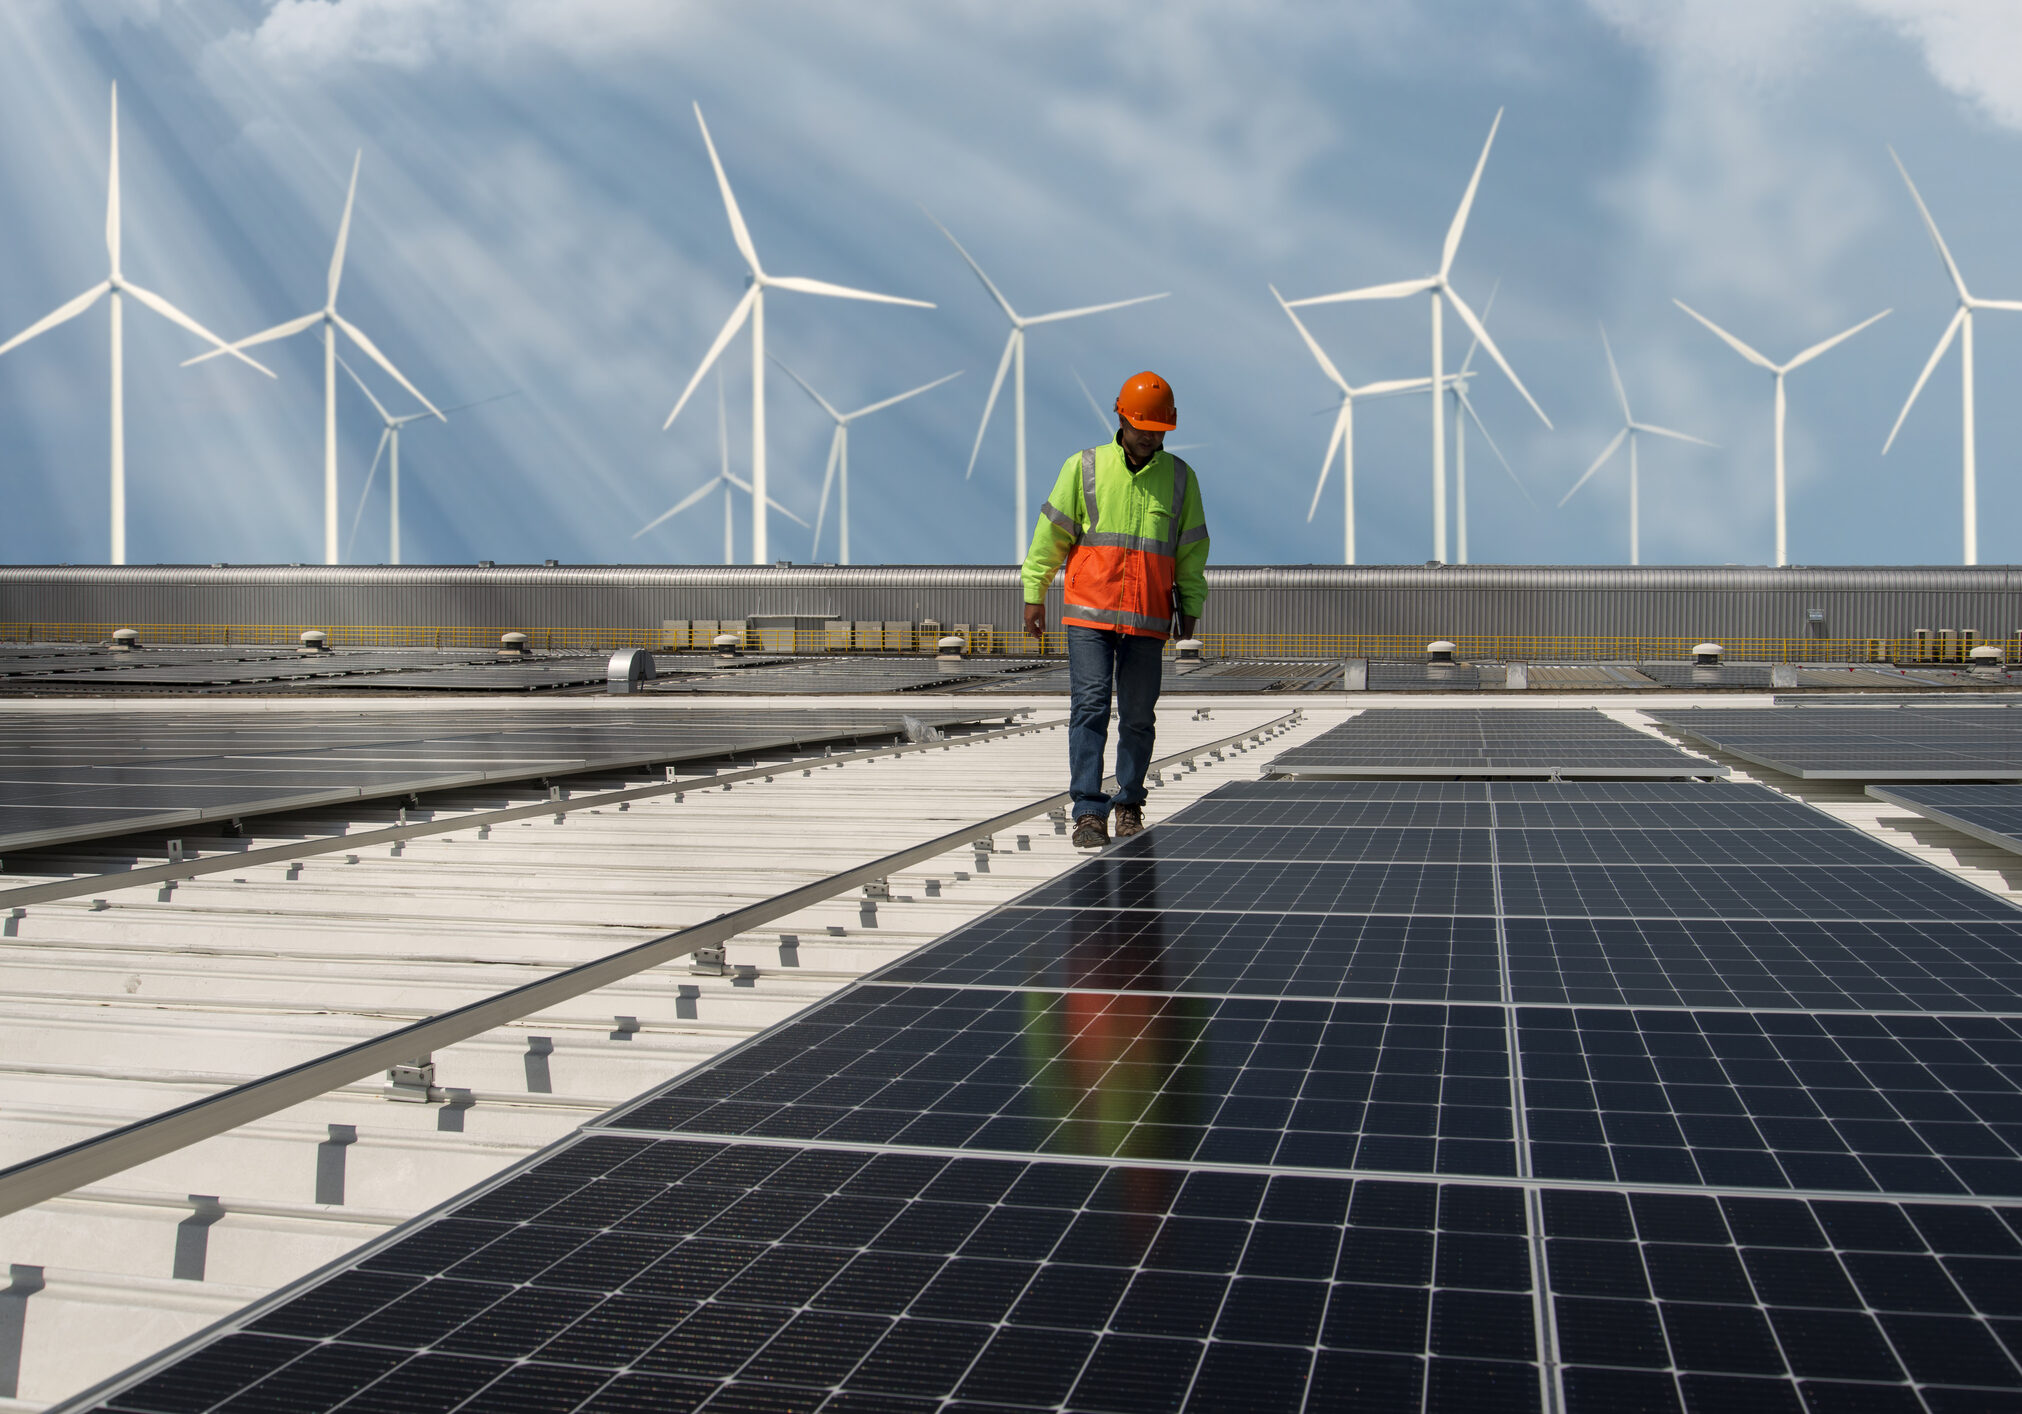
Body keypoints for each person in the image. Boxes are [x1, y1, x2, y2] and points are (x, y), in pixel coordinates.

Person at [1020, 370, 1209, 848]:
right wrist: (1033, 591)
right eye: (1141, 426)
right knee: (1089, 709)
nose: (1148, 436)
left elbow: (1191, 551)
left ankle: (1128, 804)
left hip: (1147, 617)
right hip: (1089, 613)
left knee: (1139, 715)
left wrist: (1191, 604)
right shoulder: (1083, 467)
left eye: (1157, 430)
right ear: (1120, 416)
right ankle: (1087, 810)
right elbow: (1052, 535)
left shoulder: (1181, 479)